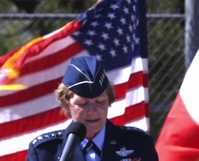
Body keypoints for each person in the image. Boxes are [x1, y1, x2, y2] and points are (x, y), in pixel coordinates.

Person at [26, 56, 158, 161]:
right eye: (83, 104)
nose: (92, 111)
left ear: (109, 100)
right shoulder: (45, 152)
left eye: (100, 101)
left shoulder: (138, 144)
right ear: (67, 104)